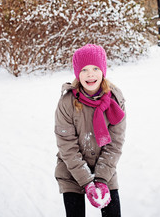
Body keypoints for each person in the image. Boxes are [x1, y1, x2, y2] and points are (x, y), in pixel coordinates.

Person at [54, 44, 126, 217]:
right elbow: (67, 146)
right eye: (84, 69)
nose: (90, 74)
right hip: (72, 170)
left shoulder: (115, 99)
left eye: (95, 68)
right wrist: (86, 181)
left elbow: (115, 143)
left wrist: (101, 179)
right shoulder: (66, 103)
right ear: (78, 74)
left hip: (105, 168)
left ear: (103, 70)